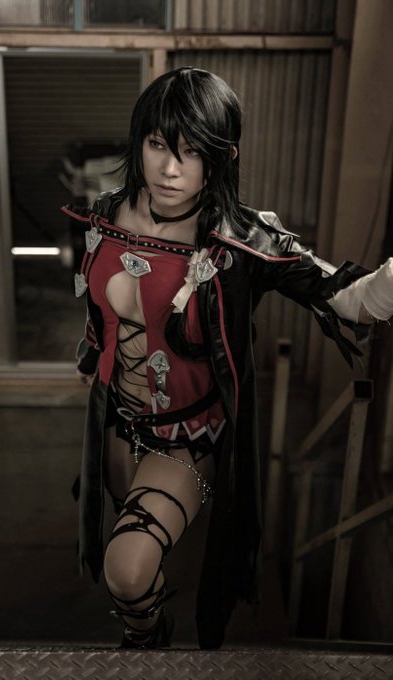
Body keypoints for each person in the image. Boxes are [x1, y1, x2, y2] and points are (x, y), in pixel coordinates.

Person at [62, 66, 393, 650]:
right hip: (112, 425)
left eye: (191, 152)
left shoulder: (241, 240)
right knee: (123, 554)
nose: (170, 168)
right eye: (158, 144)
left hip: (184, 437)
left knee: (128, 570)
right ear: (139, 141)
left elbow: (352, 299)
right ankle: (144, 625)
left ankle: (148, 638)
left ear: (222, 157)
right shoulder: (105, 214)